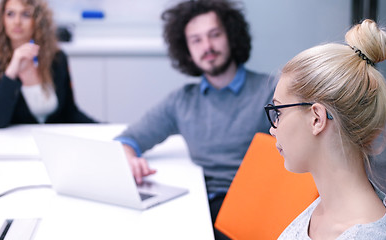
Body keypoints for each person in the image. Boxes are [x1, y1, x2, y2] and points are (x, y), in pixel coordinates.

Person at [115, 0, 275, 238]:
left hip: (259, 204)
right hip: (202, 205)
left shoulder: (272, 90)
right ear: (187, 50)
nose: (207, 46)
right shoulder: (182, 101)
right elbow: (128, 139)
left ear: (231, 36)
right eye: (196, 40)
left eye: (215, 35)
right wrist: (129, 158)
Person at [265, 19, 386, 239]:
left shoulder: (368, 236)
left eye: (279, 112)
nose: (273, 130)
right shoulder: (323, 209)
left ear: (316, 118)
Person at [0, 0, 96, 128]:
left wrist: (107, 130)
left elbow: (69, 112)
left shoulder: (57, 58)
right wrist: (11, 72)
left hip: (51, 142)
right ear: (2, 19)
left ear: (38, 20)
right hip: (15, 146)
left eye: (26, 14)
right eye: (10, 14)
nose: (17, 21)